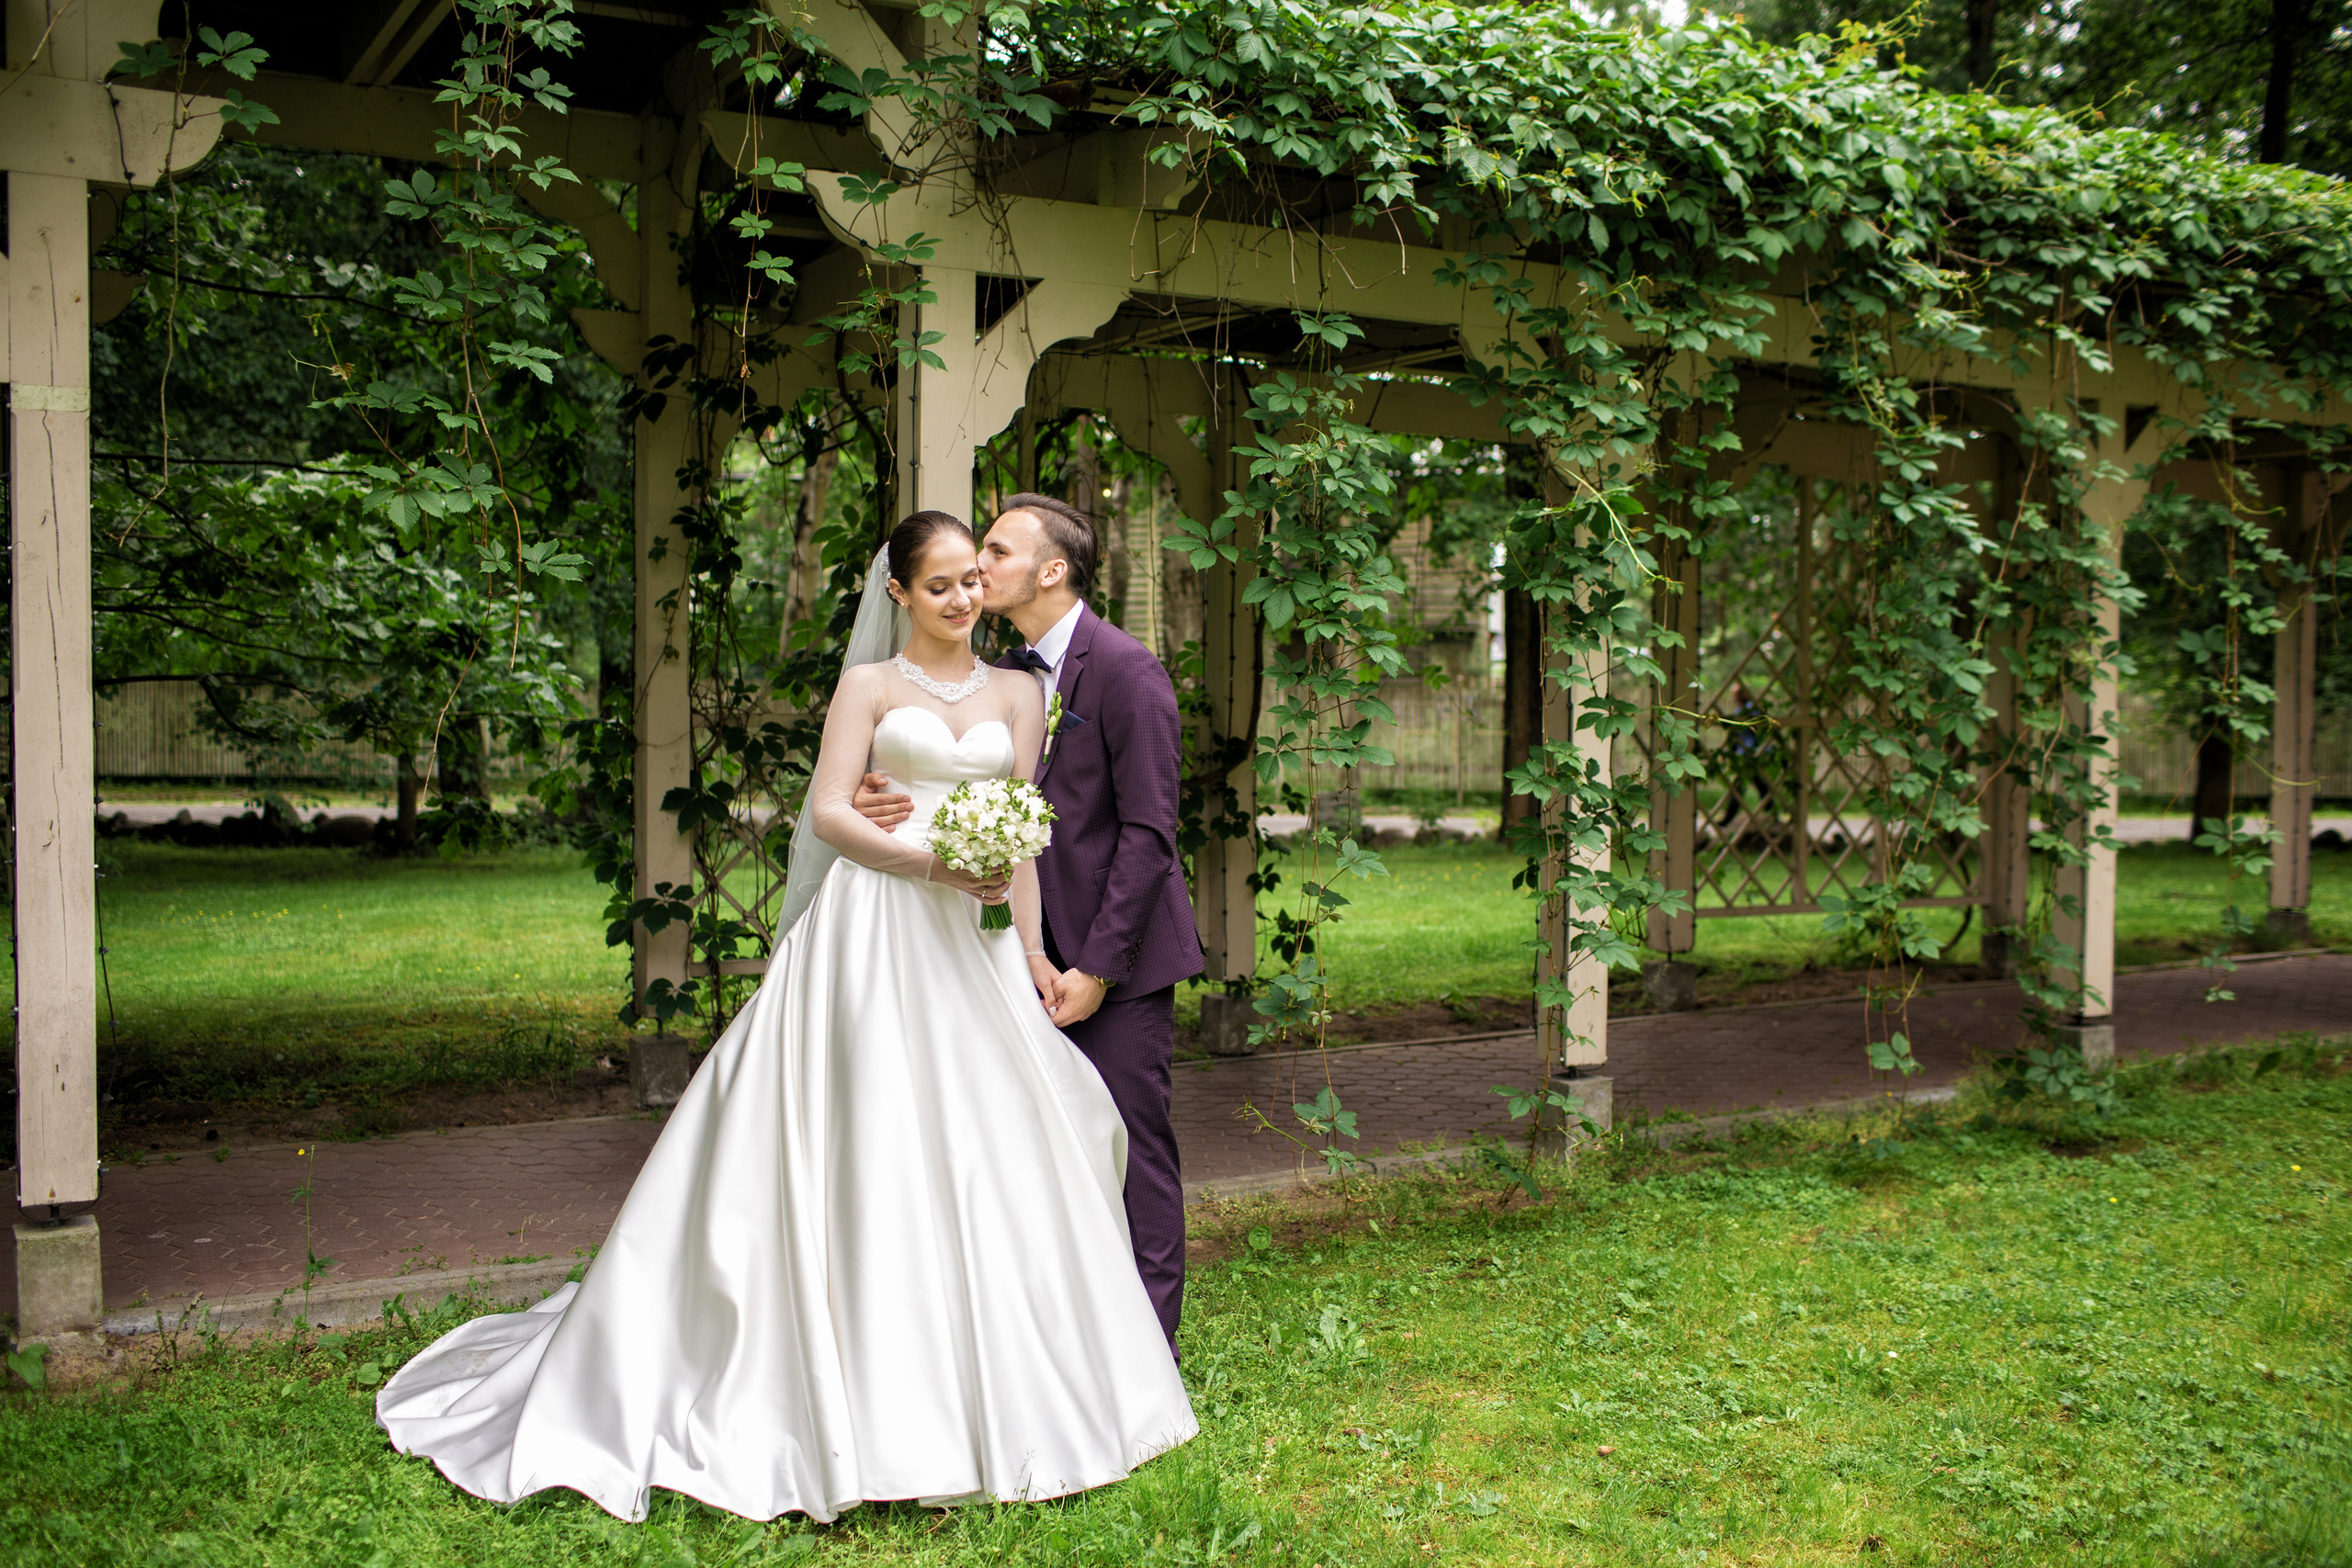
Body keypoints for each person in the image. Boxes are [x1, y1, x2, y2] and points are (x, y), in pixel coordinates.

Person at [373, 512, 1195, 1524]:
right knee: (860, 1140)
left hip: (973, 947)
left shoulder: (1023, 692)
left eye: (969, 581)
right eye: (937, 582)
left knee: (1002, 1145)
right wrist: (929, 858)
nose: (960, 595)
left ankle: (1032, 1377)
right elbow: (828, 813)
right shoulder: (868, 686)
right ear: (897, 593)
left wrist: (1030, 949)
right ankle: (831, 1378)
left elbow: (1020, 833)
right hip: (875, 932)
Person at [854, 494, 1203, 1355]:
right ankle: (1055, 1329)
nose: (979, 568)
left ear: (1051, 570)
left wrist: (1097, 971)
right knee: (1032, 1142)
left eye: (997, 553)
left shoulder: (1126, 670)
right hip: (1009, 952)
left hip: (1114, 961)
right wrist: (880, 795)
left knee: (1129, 1139)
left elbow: (1151, 834)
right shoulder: (1001, 674)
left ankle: (1150, 1344)